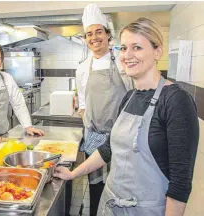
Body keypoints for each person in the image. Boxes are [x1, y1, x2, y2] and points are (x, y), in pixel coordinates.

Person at [55, 17, 199, 216]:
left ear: (158, 51)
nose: (127, 55)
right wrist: (73, 173)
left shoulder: (176, 101)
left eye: (137, 47)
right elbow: (108, 149)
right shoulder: (130, 97)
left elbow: (180, 184)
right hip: (111, 205)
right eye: (123, 48)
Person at [75, 4, 133, 215]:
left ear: (108, 35)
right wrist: (89, 125)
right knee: (95, 183)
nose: (94, 37)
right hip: (94, 136)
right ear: (85, 39)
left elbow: (132, 96)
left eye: (99, 31)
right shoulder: (82, 68)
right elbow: (82, 101)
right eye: (89, 34)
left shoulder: (122, 62)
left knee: (118, 182)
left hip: (121, 136)